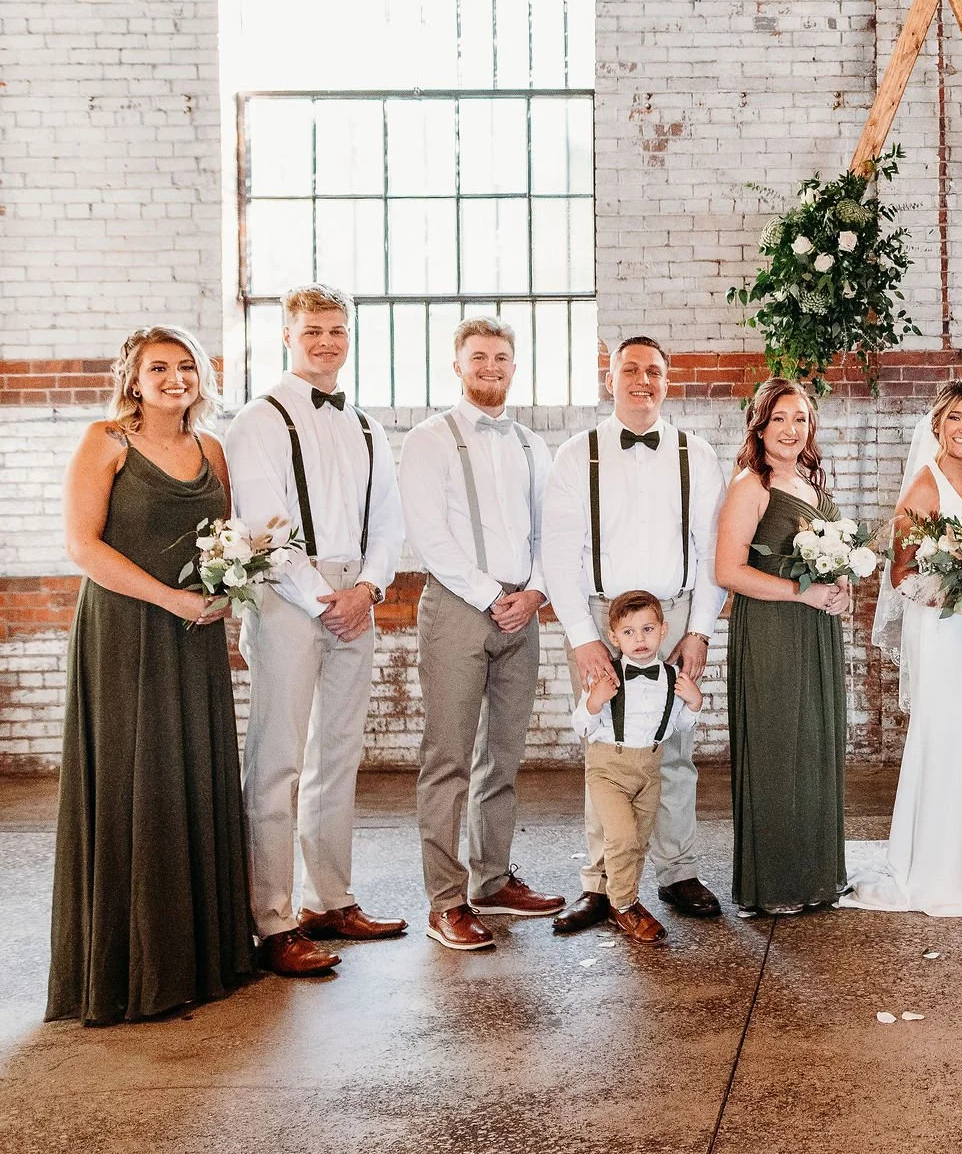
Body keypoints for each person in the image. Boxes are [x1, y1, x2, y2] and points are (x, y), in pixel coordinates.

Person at [47, 326, 257, 1023]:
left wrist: (227, 590)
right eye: (158, 367)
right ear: (131, 379)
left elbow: (227, 542)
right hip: (126, 634)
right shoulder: (105, 441)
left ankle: (199, 957)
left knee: (189, 780)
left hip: (194, 639)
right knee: (133, 782)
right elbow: (83, 546)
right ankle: (130, 970)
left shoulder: (213, 450)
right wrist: (170, 598)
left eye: (186, 365)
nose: (176, 377)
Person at [225, 284, 406, 976]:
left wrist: (368, 588)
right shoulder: (258, 419)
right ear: (287, 335)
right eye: (312, 330)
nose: (326, 341)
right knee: (277, 762)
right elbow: (265, 525)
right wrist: (323, 596)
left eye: (337, 329)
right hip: (286, 596)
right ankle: (272, 921)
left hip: (354, 591)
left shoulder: (365, 423)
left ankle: (329, 899)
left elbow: (387, 518)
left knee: (338, 754)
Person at [541, 335, 728, 934]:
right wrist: (582, 636)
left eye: (653, 371)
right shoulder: (577, 454)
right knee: (607, 752)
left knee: (673, 754)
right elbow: (559, 554)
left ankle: (676, 871)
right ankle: (600, 885)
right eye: (630, 370)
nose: (641, 380)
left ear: (667, 382)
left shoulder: (696, 454)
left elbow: (709, 552)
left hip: (672, 614)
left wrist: (697, 630)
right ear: (610, 378)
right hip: (603, 618)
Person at [400, 316, 564, 953]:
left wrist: (535, 592)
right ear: (458, 365)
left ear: (514, 366)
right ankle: (447, 900)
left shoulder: (530, 444)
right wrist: (492, 595)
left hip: (522, 611)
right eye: (478, 357)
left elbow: (552, 529)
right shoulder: (427, 439)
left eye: (501, 357)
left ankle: (493, 880)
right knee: (447, 757)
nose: (490, 366)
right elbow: (429, 536)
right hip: (460, 607)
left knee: (504, 753)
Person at [846, 382, 962, 917]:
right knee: (952, 735)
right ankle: (946, 864)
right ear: (937, 424)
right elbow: (902, 574)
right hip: (947, 632)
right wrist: (961, 595)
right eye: (956, 418)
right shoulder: (926, 485)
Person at [713, 379, 853, 915]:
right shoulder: (752, 485)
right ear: (760, 426)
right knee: (776, 746)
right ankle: (773, 883)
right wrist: (804, 591)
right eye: (779, 420)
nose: (791, 430)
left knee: (816, 740)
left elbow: (833, 562)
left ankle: (815, 874)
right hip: (772, 630)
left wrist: (841, 591)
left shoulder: (815, 485)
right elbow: (728, 570)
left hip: (815, 629)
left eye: (800, 419)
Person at [574, 591, 705, 943]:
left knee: (639, 841)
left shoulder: (670, 677)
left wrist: (694, 704)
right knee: (621, 836)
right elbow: (582, 726)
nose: (640, 639)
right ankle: (623, 904)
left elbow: (677, 726)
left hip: (649, 769)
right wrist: (593, 702)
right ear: (614, 637)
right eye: (629, 632)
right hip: (608, 769)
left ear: (663, 630)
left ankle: (626, 900)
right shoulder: (606, 676)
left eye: (647, 629)